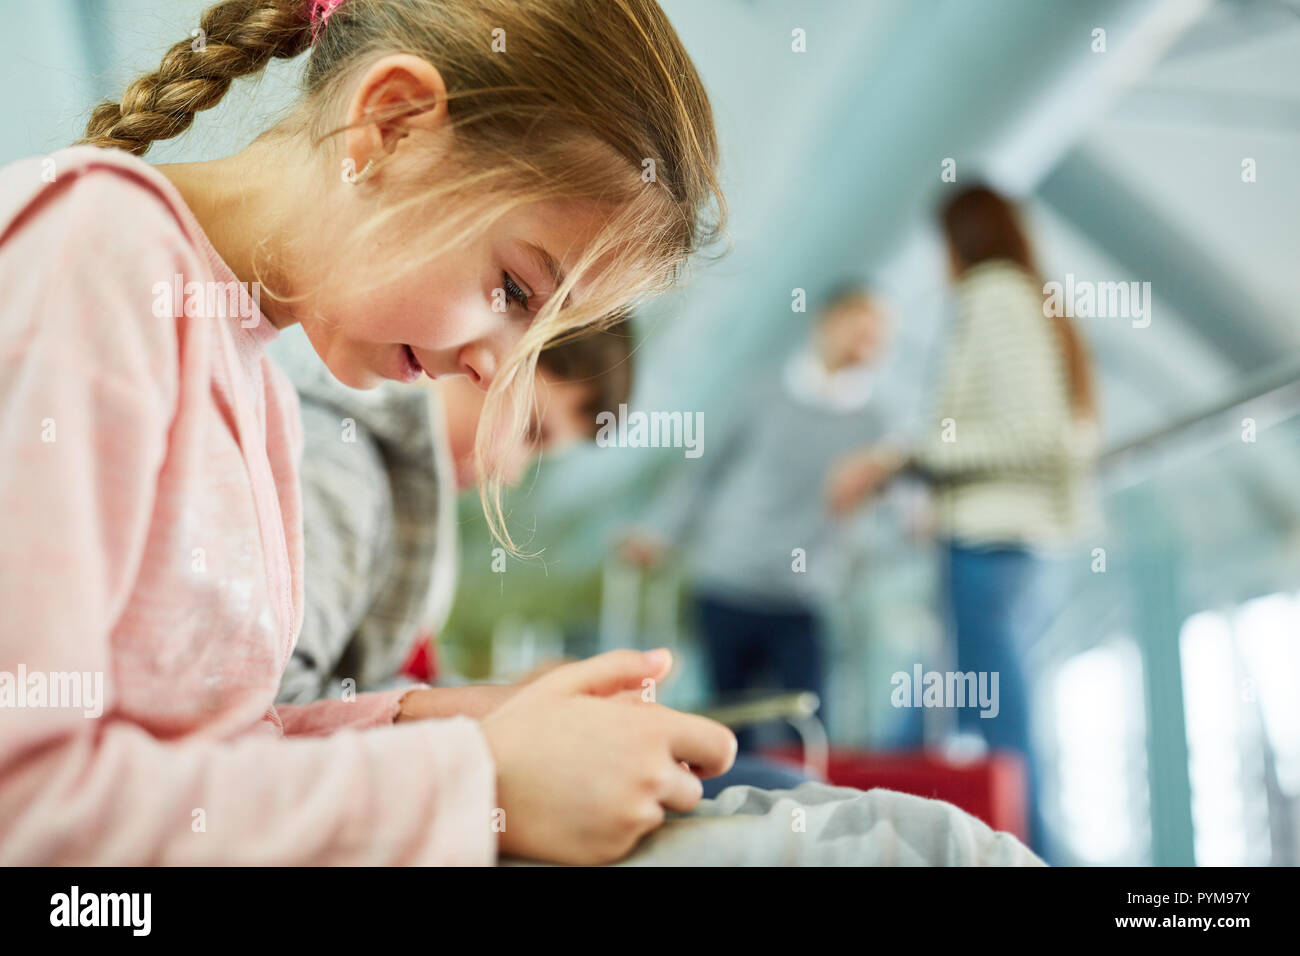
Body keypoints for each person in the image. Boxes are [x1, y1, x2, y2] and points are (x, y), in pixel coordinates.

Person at [0, 0, 736, 866]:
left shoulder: (256, 381)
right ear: (390, 125)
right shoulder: (95, 257)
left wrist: (465, 721)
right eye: (515, 290)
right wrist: (476, 782)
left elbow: (209, 757)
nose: (498, 373)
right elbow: (28, 806)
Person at [826, 184, 1101, 861]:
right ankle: (851, 832)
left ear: (961, 240)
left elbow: (1030, 433)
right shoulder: (1028, 296)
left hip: (990, 547)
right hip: (1002, 543)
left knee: (1001, 736)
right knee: (929, 720)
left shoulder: (994, 296)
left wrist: (906, 459)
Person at [271, 317, 635, 706]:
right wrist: (492, 710)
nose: (511, 474)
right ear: (486, 353)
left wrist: (513, 698)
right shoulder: (341, 468)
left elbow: (384, 685)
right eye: (530, 432)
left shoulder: (412, 497)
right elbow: (280, 702)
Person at [619, 282, 899, 751]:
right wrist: (659, 532)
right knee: (729, 727)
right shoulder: (761, 392)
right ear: (827, 323)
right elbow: (702, 471)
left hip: (803, 595)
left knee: (807, 729)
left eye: (879, 337)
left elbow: (892, 513)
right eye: (862, 329)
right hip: (729, 580)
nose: (870, 345)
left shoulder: (876, 426)